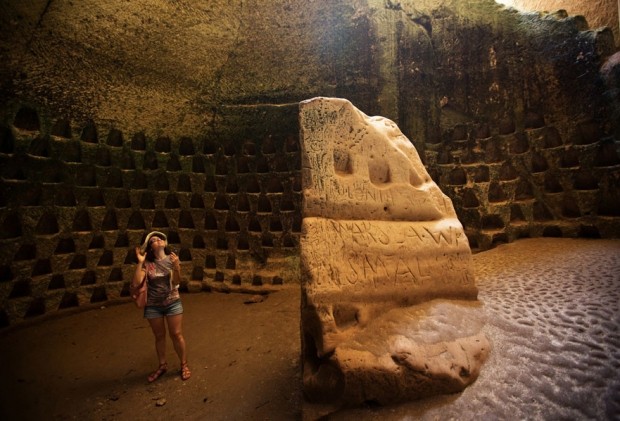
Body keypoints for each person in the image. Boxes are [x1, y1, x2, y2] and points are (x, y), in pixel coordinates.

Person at [132, 231, 191, 382]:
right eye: (153, 240)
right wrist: (140, 262)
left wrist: (177, 266)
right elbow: (136, 283)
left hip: (172, 302)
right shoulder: (147, 263)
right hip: (153, 305)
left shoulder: (172, 259)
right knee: (159, 336)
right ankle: (162, 365)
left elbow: (177, 282)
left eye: (160, 238)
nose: (158, 240)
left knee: (176, 334)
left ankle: (183, 365)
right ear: (150, 247)